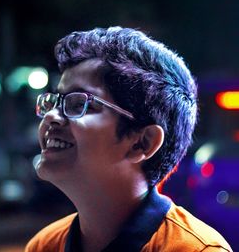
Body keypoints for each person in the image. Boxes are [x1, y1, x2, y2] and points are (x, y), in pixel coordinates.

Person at [25, 27, 232, 252]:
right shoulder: (44, 245)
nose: (52, 116)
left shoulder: (195, 249)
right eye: (53, 102)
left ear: (142, 142)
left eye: (79, 104)